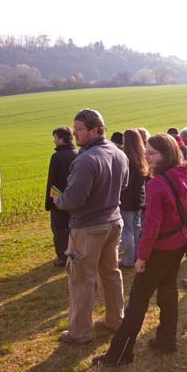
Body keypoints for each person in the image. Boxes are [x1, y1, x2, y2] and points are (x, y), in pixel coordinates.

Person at [92, 133, 187, 365]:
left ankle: (119, 354)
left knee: (138, 301)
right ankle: (167, 340)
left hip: (161, 248)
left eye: (152, 153)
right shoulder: (185, 173)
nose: (147, 157)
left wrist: (142, 257)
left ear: (167, 154)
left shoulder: (157, 183)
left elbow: (151, 226)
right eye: (146, 152)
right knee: (168, 291)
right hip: (179, 242)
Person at [51, 108, 129, 344]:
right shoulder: (118, 153)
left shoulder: (85, 159)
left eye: (79, 129)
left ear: (94, 130)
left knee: (81, 279)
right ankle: (116, 320)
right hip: (113, 222)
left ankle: (80, 332)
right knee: (110, 274)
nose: (74, 134)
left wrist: (58, 200)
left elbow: (74, 199)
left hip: (88, 227)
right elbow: (123, 185)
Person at [45, 127, 77, 267]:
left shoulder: (57, 157)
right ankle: (73, 253)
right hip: (73, 198)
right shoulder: (77, 154)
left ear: (62, 139)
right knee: (72, 229)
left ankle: (62, 258)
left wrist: (49, 202)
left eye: (56, 138)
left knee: (59, 230)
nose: (54, 141)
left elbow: (52, 181)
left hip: (58, 199)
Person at [119, 129, 148, 269]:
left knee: (127, 230)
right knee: (137, 228)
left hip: (127, 198)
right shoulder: (142, 156)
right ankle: (137, 255)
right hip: (139, 197)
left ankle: (128, 260)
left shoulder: (125, 157)